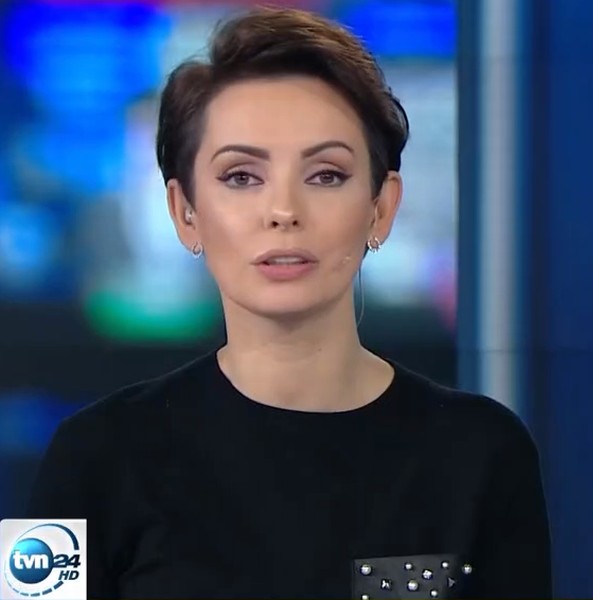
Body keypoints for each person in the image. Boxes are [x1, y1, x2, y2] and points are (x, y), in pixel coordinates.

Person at [25, 6, 551, 599]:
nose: (283, 211)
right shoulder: (90, 455)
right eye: (241, 177)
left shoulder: (481, 451)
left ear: (381, 207)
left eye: (325, 175)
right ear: (184, 212)